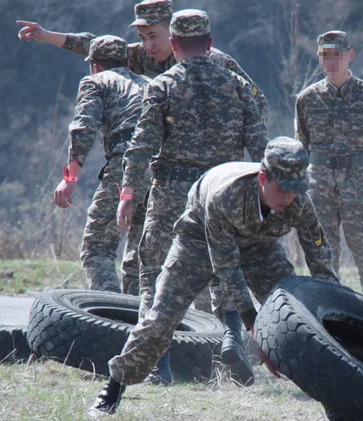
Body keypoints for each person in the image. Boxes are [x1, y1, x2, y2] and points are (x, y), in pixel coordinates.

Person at [87, 137, 340, 416]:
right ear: (262, 178)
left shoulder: (299, 202)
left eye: (296, 189)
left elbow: (319, 255)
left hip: (259, 244)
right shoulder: (226, 196)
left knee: (293, 308)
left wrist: (332, 310)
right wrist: (255, 327)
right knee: (161, 318)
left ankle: (327, 386)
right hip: (198, 238)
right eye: (283, 189)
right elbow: (227, 268)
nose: (289, 197)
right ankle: (112, 389)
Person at [115, 9, 268, 387]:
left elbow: (141, 145)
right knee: (224, 265)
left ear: (176, 44)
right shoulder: (235, 83)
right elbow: (260, 136)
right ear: (211, 43)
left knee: (154, 274)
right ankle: (233, 336)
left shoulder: (162, 85)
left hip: (171, 190)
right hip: (222, 189)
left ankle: (157, 366)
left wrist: (128, 193)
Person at [15, 0, 269, 118]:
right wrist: (47, 35)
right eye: (142, 37)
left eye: (152, 36)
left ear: (172, 31)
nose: (147, 45)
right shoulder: (140, 56)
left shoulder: (215, 61)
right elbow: (94, 45)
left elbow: (258, 103)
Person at [295, 30, 363, 305]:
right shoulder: (308, 99)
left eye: (337, 55)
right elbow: (302, 144)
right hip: (319, 190)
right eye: (325, 56)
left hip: (357, 189)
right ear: (319, 58)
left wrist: (361, 175)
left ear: (350, 55)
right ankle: (325, 320)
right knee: (323, 261)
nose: (331, 62)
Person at [53, 35, 150, 296]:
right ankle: (141, 323)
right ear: (127, 63)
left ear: (94, 65)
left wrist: (69, 179)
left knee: (97, 249)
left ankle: (111, 320)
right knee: (142, 255)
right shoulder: (152, 83)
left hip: (127, 165)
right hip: (165, 171)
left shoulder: (95, 81)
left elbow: (83, 129)